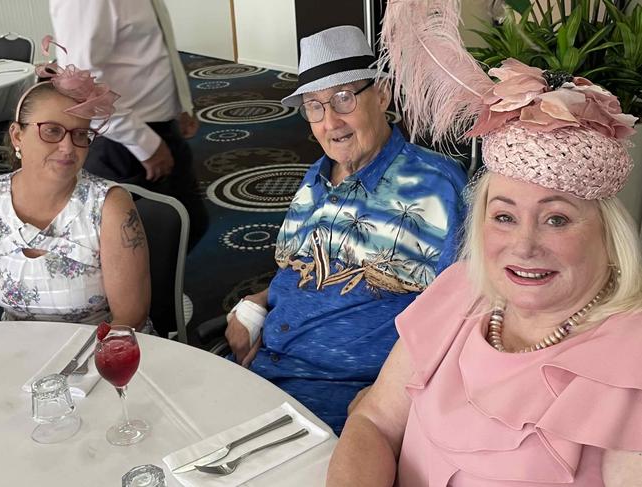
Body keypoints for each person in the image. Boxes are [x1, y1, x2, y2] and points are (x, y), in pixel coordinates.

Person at [327, 1, 642, 485]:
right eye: (504, 217)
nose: (524, 245)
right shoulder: (459, 290)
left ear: (608, 234)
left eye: (557, 219)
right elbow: (374, 421)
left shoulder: (630, 359)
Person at [225, 25, 468, 434]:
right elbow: (309, 264)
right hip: (262, 366)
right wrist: (257, 302)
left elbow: (461, 311)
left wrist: (391, 393)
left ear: (383, 95)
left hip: (345, 396)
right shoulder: (313, 179)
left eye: (343, 98)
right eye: (314, 106)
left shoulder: (436, 186)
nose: (331, 121)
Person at [0, 39, 150, 330]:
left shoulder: (108, 207)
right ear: (17, 136)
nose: (68, 148)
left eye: (80, 135)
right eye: (52, 130)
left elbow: (129, 320)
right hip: (16, 352)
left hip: (96, 353)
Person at [48, 0, 208, 249]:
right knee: (138, 243)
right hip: (123, 138)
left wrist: (181, 106)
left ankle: (159, 288)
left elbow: (154, 49)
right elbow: (79, 82)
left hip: (157, 127)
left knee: (186, 224)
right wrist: (143, 143)